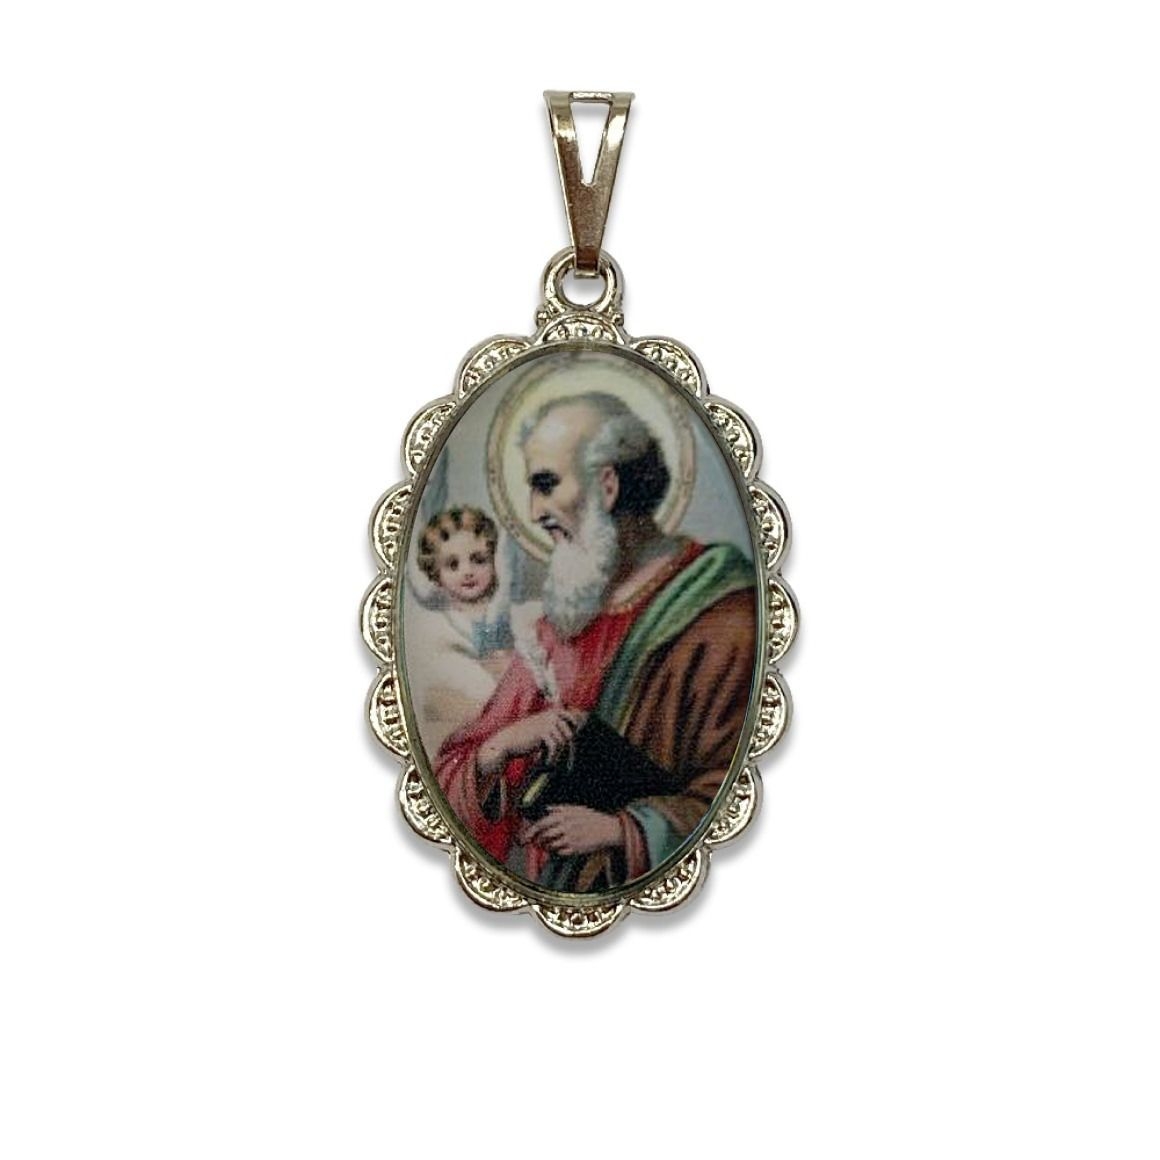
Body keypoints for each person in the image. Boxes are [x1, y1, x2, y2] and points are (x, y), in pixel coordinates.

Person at [435, 391, 756, 893]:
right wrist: (503, 744)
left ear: (608, 486)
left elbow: (735, 795)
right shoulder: (558, 625)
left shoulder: (723, 615)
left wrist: (618, 831)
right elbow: (450, 782)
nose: (535, 512)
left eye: (546, 485)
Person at [406, 506, 515, 753]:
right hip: (471, 710)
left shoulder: (506, 612)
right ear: (436, 574)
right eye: (453, 565)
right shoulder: (440, 626)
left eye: (478, 560)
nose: (467, 572)